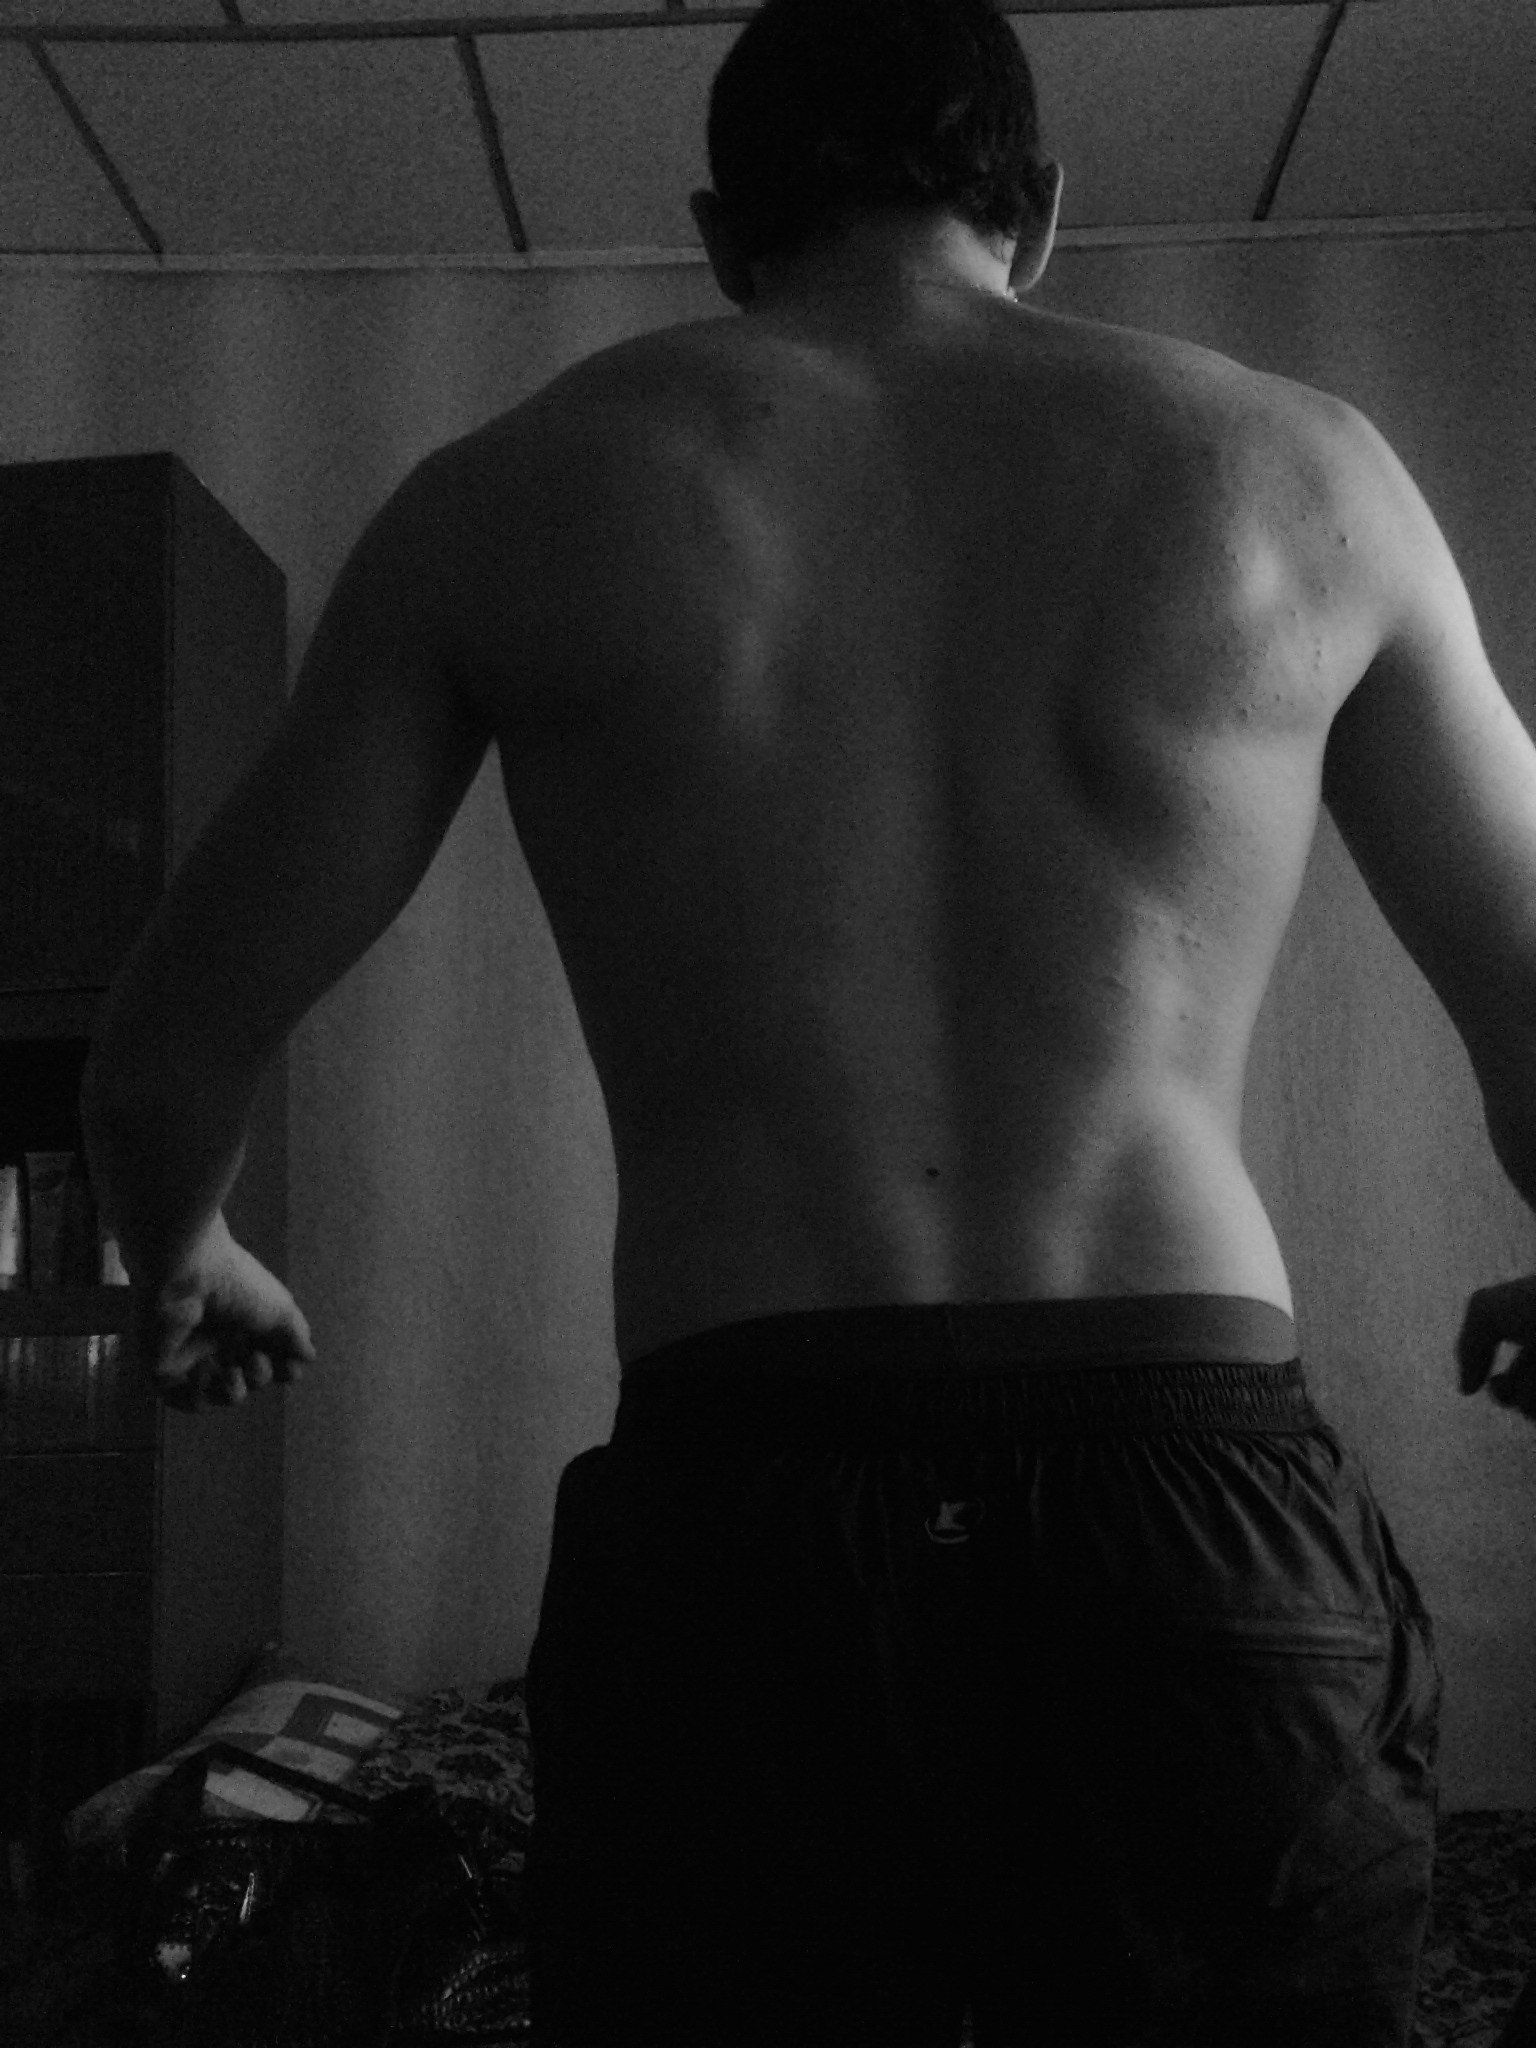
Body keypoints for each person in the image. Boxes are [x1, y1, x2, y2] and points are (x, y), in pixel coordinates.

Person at [79, 0, 1536, 2041]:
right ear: (1040, 207)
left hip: (746, 1511)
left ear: (718, 227)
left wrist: (187, 1250)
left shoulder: (507, 497)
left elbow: (163, 1049)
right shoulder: (1310, 475)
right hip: (1187, 1501)